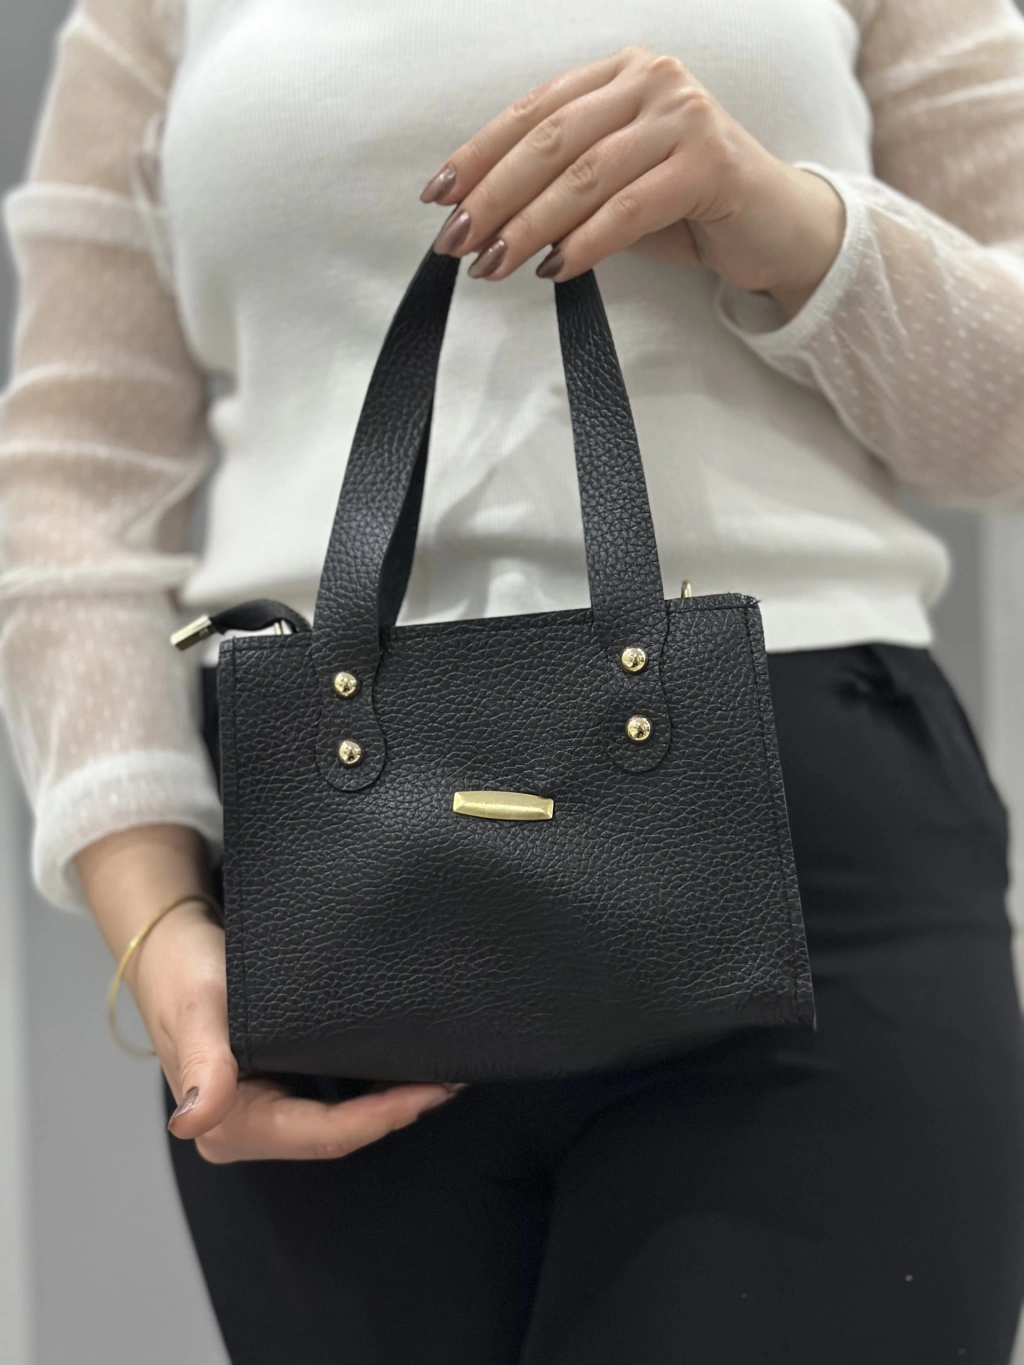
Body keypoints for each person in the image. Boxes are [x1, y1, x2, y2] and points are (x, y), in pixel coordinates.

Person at [2, 0, 1024, 1360]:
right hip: (326, 885)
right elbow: (70, 484)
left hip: (795, 844)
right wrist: (158, 920)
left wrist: (785, 220)